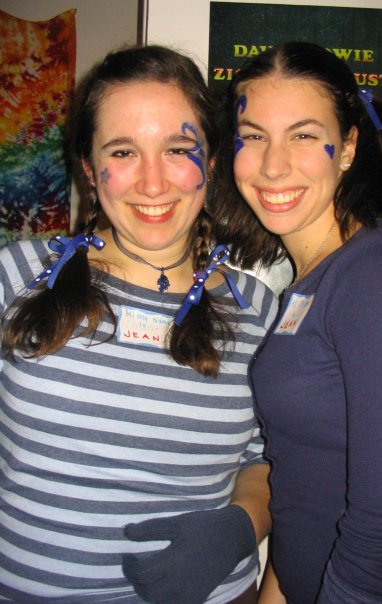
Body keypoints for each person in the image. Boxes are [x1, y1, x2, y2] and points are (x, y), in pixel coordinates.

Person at [0, 45, 278, 603]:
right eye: (123, 151)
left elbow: (270, 461)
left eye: (178, 149)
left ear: (213, 160)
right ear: (87, 166)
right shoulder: (19, 276)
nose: (153, 184)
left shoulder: (259, 310)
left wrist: (242, 526)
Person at [212, 41, 382, 603]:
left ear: (348, 147)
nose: (273, 165)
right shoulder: (313, 278)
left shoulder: (381, 277)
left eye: (302, 135)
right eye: (253, 137)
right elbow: (305, 482)